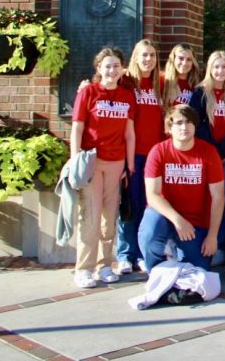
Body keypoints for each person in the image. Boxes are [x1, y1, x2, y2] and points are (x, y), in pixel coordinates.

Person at [70, 47, 136, 288]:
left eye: (116, 66)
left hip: (116, 162)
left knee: (110, 216)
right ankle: (84, 268)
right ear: (99, 68)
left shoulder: (127, 95)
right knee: (90, 215)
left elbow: (129, 133)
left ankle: (105, 264)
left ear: (122, 69)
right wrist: (75, 160)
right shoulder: (88, 92)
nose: (112, 70)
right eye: (107, 66)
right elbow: (77, 128)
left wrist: (129, 166)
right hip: (91, 162)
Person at [139, 105, 225, 271]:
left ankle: (176, 250)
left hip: (195, 223)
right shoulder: (158, 151)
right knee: (150, 229)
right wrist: (178, 220)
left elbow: (218, 197)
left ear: (195, 125)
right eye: (178, 123)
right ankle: (156, 270)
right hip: (165, 216)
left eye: (188, 122)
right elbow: (153, 195)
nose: (184, 127)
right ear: (169, 128)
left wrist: (212, 236)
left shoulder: (209, 152)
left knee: (200, 269)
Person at [188, 50, 225, 264]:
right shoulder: (200, 93)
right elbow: (197, 122)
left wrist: (221, 151)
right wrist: (213, 151)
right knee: (204, 197)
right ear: (210, 69)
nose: (220, 71)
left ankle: (218, 243)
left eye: (224, 67)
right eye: (216, 67)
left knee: (224, 196)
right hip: (205, 153)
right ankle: (199, 241)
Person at [116, 39, 164, 275]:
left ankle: (144, 254)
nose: (148, 60)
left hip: (154, 157)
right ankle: (126, 254)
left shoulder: (161, 82)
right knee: (129, 205)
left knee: (149, 207)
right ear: (135, 57)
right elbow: (100, 84)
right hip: (132, 155)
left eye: (152, 55)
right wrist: (85, 85)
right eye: (144, 55)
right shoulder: (126, 82)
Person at [161, 44, 201, 109]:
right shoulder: (163, 80)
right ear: (173, 59)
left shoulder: (196, 84)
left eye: (189, 59)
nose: (184, 63)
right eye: (181, 58)